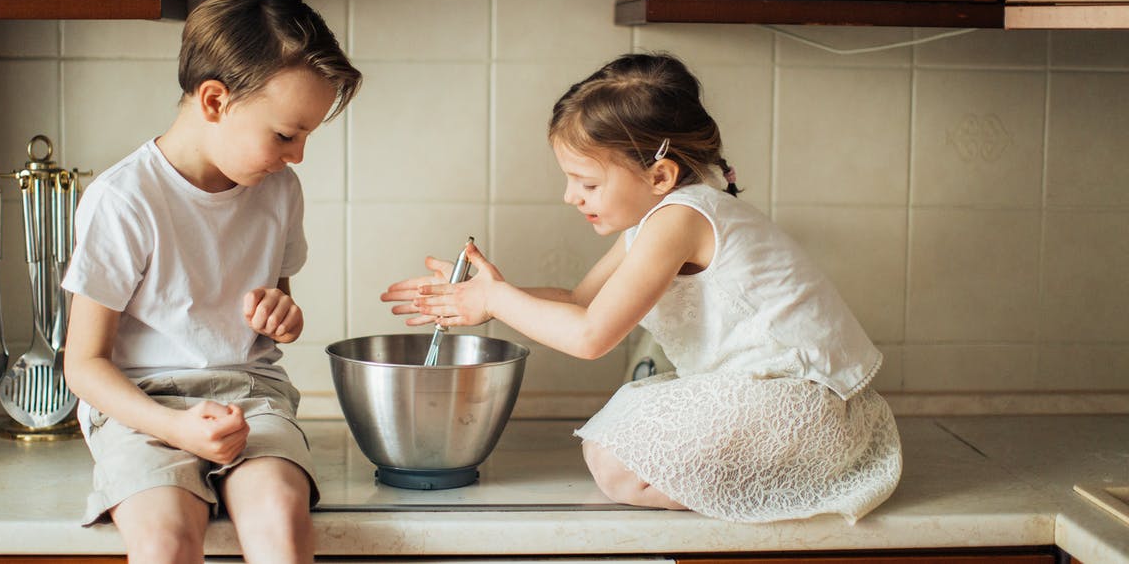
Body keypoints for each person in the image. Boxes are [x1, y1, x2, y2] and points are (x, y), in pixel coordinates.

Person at [381, 53, 901, 524]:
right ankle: (770, 486)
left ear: (660, 175)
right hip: (773, 395)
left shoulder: (680, 219)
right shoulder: (656, 219)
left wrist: (496, 300)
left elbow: (590, 336)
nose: (570, 197)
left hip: (807, 406)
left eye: (587, 183)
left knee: (616, 463)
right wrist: (486, 296)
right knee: (614, 451)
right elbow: (582, 302)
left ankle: (792, 487)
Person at [62, 0, 360, 563]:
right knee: (167, 540)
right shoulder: (124, 200)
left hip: (250, 394)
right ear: (216, 101)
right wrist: (173, 429)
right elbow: (84, 364)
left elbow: (275, 306)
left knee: (278, 514)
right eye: (285, 134)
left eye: (305, 136)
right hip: (141, 406)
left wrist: (283, 316)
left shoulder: (276, 189)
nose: (297, 155)